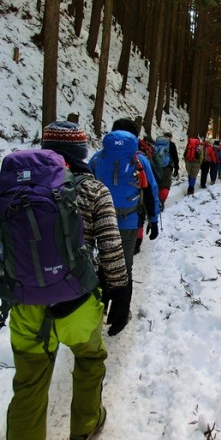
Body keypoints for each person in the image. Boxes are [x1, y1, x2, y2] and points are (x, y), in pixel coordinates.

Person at [5, 120, 130, 440]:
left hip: (27, 309)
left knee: (28, 397)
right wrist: (120, 292)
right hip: (78, 302)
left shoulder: (13, 187)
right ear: (79, 152)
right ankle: (84, 425)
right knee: (90, 359)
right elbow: (110, 244)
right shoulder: (92, 188)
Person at [89, 118, 160, 314]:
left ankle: (99, 309)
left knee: (104, 264)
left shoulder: (97, 158)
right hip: (128, 221)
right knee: (124, 267)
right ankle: (121, 313)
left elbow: (85, 190)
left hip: (100, 222)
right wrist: (153, 221)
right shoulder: (140, 160)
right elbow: (151, 191)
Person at [154, 131, 180, 209]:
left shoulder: (157, 143)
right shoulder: (171, 145)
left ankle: (155, 201)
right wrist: (176, 168)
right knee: (165, 185)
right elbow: (175, 157)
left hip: (156, 167)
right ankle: (161, 202)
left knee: (157, 184)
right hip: (167, 168)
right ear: (171, 137)